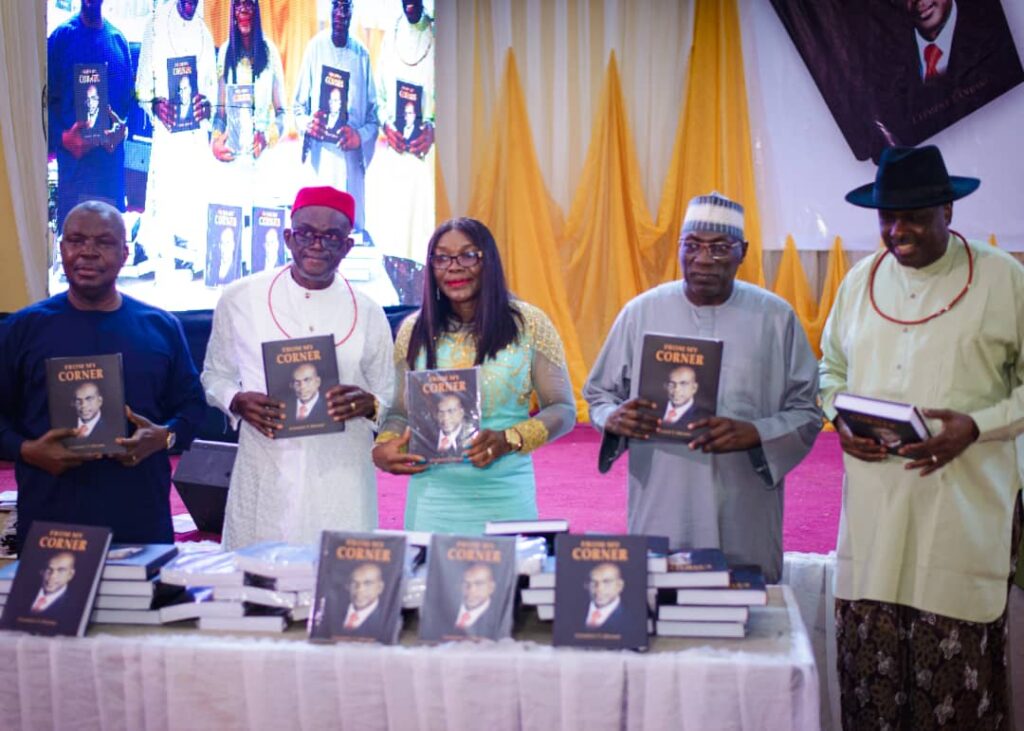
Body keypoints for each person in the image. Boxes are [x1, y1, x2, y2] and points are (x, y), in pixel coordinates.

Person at [819, 145, 1021, 728]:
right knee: (872, 690)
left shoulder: (1004, 279)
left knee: (954, 697)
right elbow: (829, 371)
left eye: (913, 216)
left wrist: (977, 426)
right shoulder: (860, 281)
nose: (896, 230)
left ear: (949, 211)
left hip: (960, 515)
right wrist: (839, 418)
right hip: (875, 520)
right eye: (886, 216)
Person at [583, 192, 821, 583]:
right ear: (678, 248)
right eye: (691, 246)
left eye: (719, 248)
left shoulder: (776, 318)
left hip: (744, 500)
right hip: (663, 494)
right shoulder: (641, 312)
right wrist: (614, 418)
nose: (703, 259)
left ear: (742, 252)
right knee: (660, 604)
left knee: (746, 617)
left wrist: (756, 433)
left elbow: (807, 410)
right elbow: (599, 395)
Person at [0, 201, 206, 550]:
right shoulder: (22, 329)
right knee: (56, 608)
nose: (88, 252)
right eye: (76, 240)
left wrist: (165, 438)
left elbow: (192, 409)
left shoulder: (160, 327)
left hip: (141, 524)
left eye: (104, 242)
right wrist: (28, 450)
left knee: (141, 607)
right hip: (52, 525)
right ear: (61, 248)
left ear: (125, 253)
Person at [201, 186, 394, 549]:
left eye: (332, 237)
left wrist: (369, 405)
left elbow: (388, 391)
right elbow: (215, 375)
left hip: (342, 476)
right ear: (288, 237)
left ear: (348, 246)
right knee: (257, 585)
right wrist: (237, 400)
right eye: (306, 233)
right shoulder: (240, 298)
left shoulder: (369, 311)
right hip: (266, 468)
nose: (317, 245)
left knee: (339, 585)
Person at [372, 218, 576, 534]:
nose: (454, 267)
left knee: (502, 583)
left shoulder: (529, 325)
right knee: (432, 584)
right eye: (441, 257)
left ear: (489, 261)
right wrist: (385, 445)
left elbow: (563, 409)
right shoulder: (414, 330)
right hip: (432, 501)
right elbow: (400, 411)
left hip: (505, 496)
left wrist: (510, 440)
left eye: (468, 255)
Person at [135, 0, 217, 281]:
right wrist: (155, 104)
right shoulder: (155, 26)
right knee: (164, 198)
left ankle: (192, 255)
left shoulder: (205, 33)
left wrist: (207, 106)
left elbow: (212, 94)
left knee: (194, 198)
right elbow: (142, 88)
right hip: (167, 135)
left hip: (195, 138)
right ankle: (159, 255)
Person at [293, 0, 379, 233]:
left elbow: (374, 118)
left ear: (353, 11)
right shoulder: (315, 48)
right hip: (320, 167)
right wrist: (308, 124)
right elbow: (298, 109)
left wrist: (359, 137)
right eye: (336, 6)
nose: (341, 13)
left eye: (346, 7)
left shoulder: (362, 55)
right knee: (318, 234)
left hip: (350, 167)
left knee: (348, 238)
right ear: (329, 10)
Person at [47, 0, 131, 232]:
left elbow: (126, 110)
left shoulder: (118, 42)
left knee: (107, 259)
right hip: (75, 182)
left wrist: (121, 131)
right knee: (76, 260)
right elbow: (40, 107)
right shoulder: (60, 40)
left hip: (110, 182)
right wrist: (63, 138)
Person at [365, 0, 435, 261]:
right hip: (395, 153)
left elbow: (456, 95)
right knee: (393, 246)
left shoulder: (438, 35)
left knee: (423, 242)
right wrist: (386, 125)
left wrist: (435, 129)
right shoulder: (391, 35)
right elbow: (379, 98)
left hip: (427, 157)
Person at [210, 0, 286, 163]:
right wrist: (215, 141)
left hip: (262, 160)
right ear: (232, 11)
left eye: (248, 4)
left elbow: (283, 114)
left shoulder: (270, 51)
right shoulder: (224, 52)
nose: (243, 10)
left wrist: (266, 138)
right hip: (231, 157)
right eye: (238, 4)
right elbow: (220, 114)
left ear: (257, 10)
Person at [451, 563, 499, 637]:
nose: (471, 590)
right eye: (466, 583)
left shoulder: (499, 618)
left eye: (479, 584)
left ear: (491, 587)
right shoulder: (445, 608)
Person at [340, 562, 385, 634]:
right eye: (354, 583)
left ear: (380, 587)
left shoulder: (387, 620)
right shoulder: (332, 613)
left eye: (368, 584)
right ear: (347, 586)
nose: (359, 590)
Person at [30, 552, 77, 617]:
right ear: (42, 571)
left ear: (70, 575)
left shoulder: (75, 606)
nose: (52, 576)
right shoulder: (22, 593)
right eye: (49, 569)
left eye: (61, 571)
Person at [584, 562, 627, 632]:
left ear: (620, 586)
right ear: (586, 585)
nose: (599, 589)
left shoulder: (633, 620)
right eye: (593, 582)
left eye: (607, 582)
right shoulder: (571, 614)